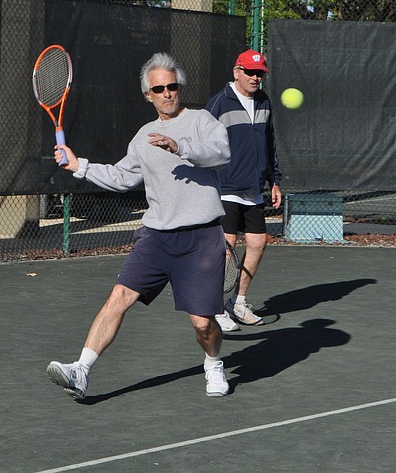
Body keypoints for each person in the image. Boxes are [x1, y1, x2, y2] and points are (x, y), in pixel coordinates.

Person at [46, 52, 233, 399]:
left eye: (172, 86)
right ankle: (81, 370)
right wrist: (79, 166)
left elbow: (221, 153)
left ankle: (212, 362)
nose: (167, 93)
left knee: (203, 323)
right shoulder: (143, 136)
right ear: (148, 95)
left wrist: (180, 146)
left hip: (201, 238)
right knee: (119, 296)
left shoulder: (201, 121)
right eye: (159, 89)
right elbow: (122, 177)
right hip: (156, 238)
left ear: (179, 87)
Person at [206, 49, 282, 332]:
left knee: (258, 243)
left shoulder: (264, 101)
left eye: (259, 74)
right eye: (250, 72)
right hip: (225, 189)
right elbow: (203, 144)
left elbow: (269, 143)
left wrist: (275, 180)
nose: (255, 78)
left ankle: (237, 303)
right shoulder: (219, 103)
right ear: (236, 71)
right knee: (226, 250)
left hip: (254, 189)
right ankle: (214, 307)